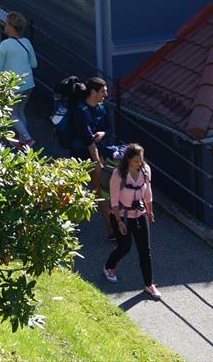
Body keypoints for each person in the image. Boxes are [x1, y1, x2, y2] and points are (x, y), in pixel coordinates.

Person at [104, 143, 160, 300]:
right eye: (136, 161)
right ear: (128, 160)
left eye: (141, 160)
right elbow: (114, 200)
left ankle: (149, 284)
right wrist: (119, 221)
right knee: (124, 246)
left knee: (145, 250)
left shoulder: (145, 170)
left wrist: (149, 211)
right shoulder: (118, 174)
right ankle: (109, 267)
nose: (139, 163)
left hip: (139, 213)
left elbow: (147, 193)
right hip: (121, 215)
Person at [66, 76, 117, 238]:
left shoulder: (101, 108)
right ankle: (111, 229)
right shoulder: (80, 111)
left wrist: (103, 133)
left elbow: (109, 128)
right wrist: (98, 163)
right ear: (93, 92)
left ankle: (112, 228)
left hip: (97, 153)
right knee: (98, 192)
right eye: (103, 91)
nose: (106, 95)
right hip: (81, 156)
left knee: (100, 192)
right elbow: (88, 141)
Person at [0, 11, 37, 148]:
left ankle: (27, 138)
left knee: (10, 112)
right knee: (20, 111)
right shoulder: (27, 42)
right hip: (29, 83)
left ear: (11, 26)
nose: (4, 26)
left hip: (14, 85)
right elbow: (34, 64)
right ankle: (24, 142)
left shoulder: (5, 44)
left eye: (5, 24)